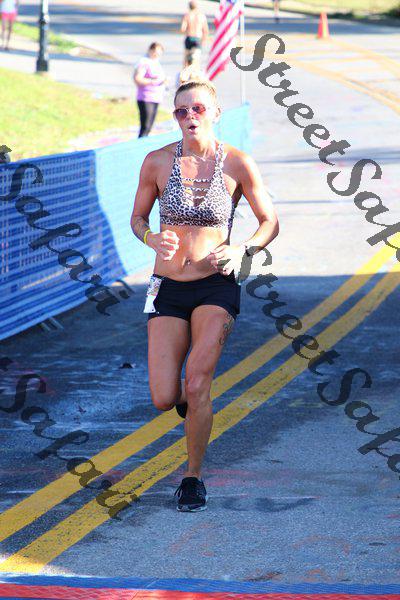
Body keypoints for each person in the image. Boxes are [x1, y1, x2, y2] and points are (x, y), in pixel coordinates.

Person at [130, 80, 279, 512]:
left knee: (197, 382)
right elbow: (138, 218)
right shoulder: (157, 162)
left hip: (216, 284)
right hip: (166, 287)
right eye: (181, 111)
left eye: (198, 108)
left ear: (215, 112)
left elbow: (269, 221)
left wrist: (242, 249)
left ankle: (192, 477)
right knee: (164, 396)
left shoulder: (238, 163)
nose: (190, 116)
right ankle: (187, 403)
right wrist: (150, 238)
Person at [133, 42, 166, 138]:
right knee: (145, 126)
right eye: (155, 52)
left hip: (156, 97)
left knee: (149, 127)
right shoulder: (144, 62)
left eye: (159, 53)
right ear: (150, 50)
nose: (157, 55)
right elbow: (138, 79)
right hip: (146, 97)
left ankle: (144, 143)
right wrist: (152, 81)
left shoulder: (156, 63)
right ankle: (140, 145)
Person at [181, 0, 208, 67]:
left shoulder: (187, 16)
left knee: (186, 60)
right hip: (197, 39)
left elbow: (182, 29)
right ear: (197, 7)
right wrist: (204, 40)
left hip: (189, 38)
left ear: (189, 7)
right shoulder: (202, 16)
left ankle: (185, 70)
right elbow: (205, 30)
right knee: (196, 59)